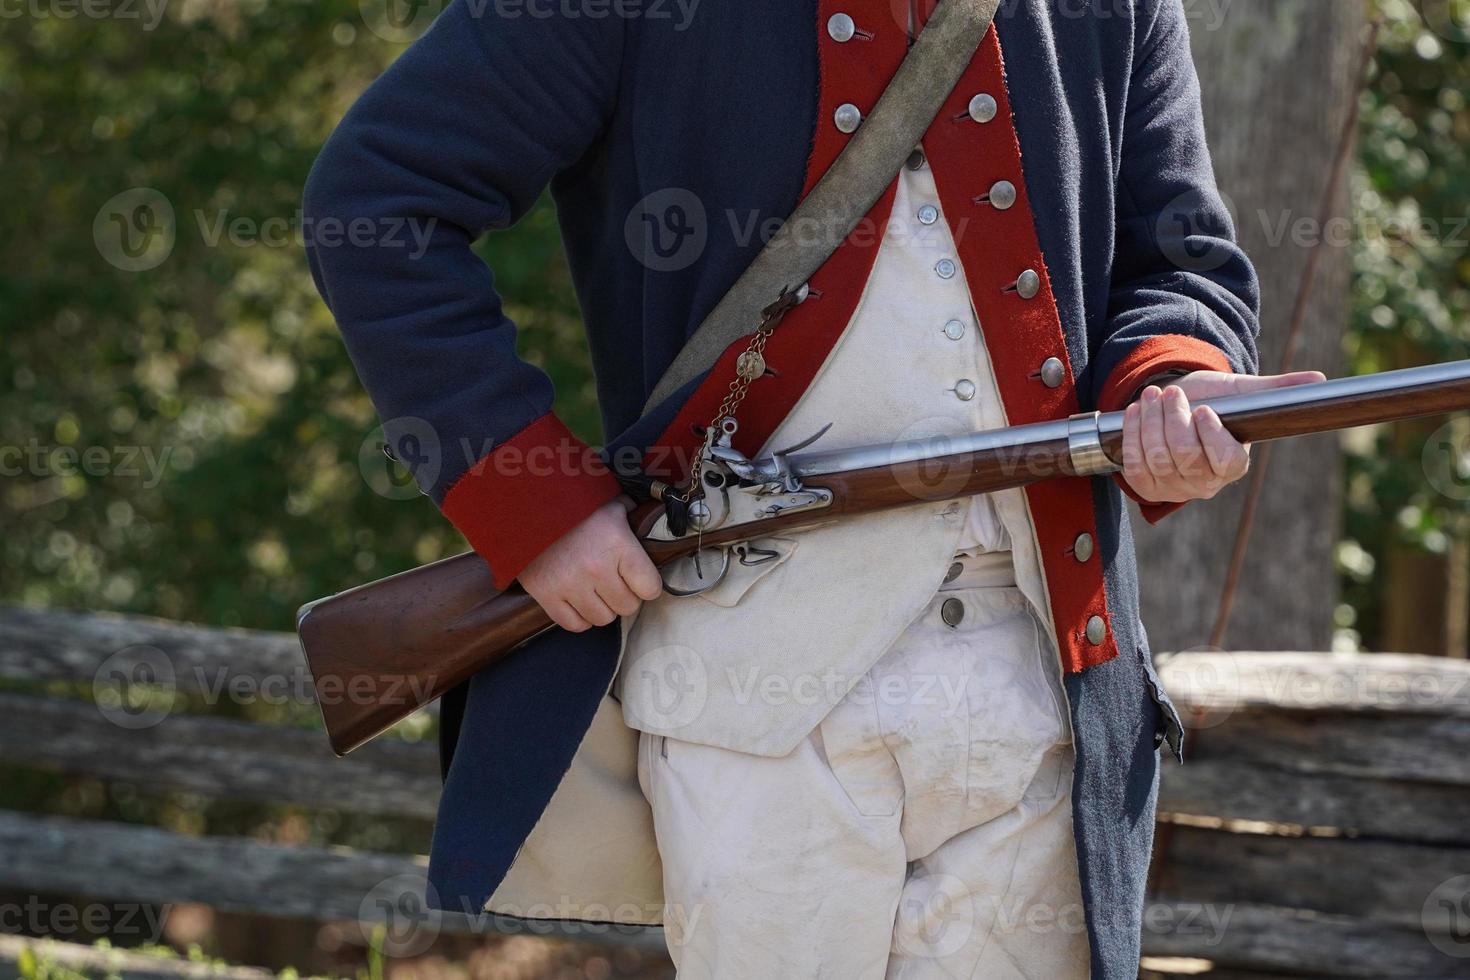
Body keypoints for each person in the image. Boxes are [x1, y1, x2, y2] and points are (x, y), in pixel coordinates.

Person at [304, 1, 1318, 975]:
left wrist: (1176, 387)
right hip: (752, 678)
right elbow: (380, 197)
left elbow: (1181, 265)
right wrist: (539, 509)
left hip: (1043, 672)